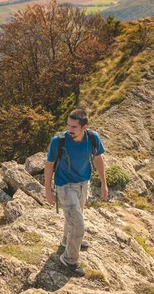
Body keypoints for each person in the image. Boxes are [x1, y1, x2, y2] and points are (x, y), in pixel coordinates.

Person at [45, 109, 108, 276]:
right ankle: (69, 259)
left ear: (84, 127)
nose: (69, 130)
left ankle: (67, 241)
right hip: (64, 185)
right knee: (79, 224)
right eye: (68, 125)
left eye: (73, 127)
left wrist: (104, 184)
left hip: (83, 183)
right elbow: (49, 165)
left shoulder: (93, 138)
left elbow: (98, 159)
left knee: (74, 216)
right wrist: (48, 191)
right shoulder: (58, 141)